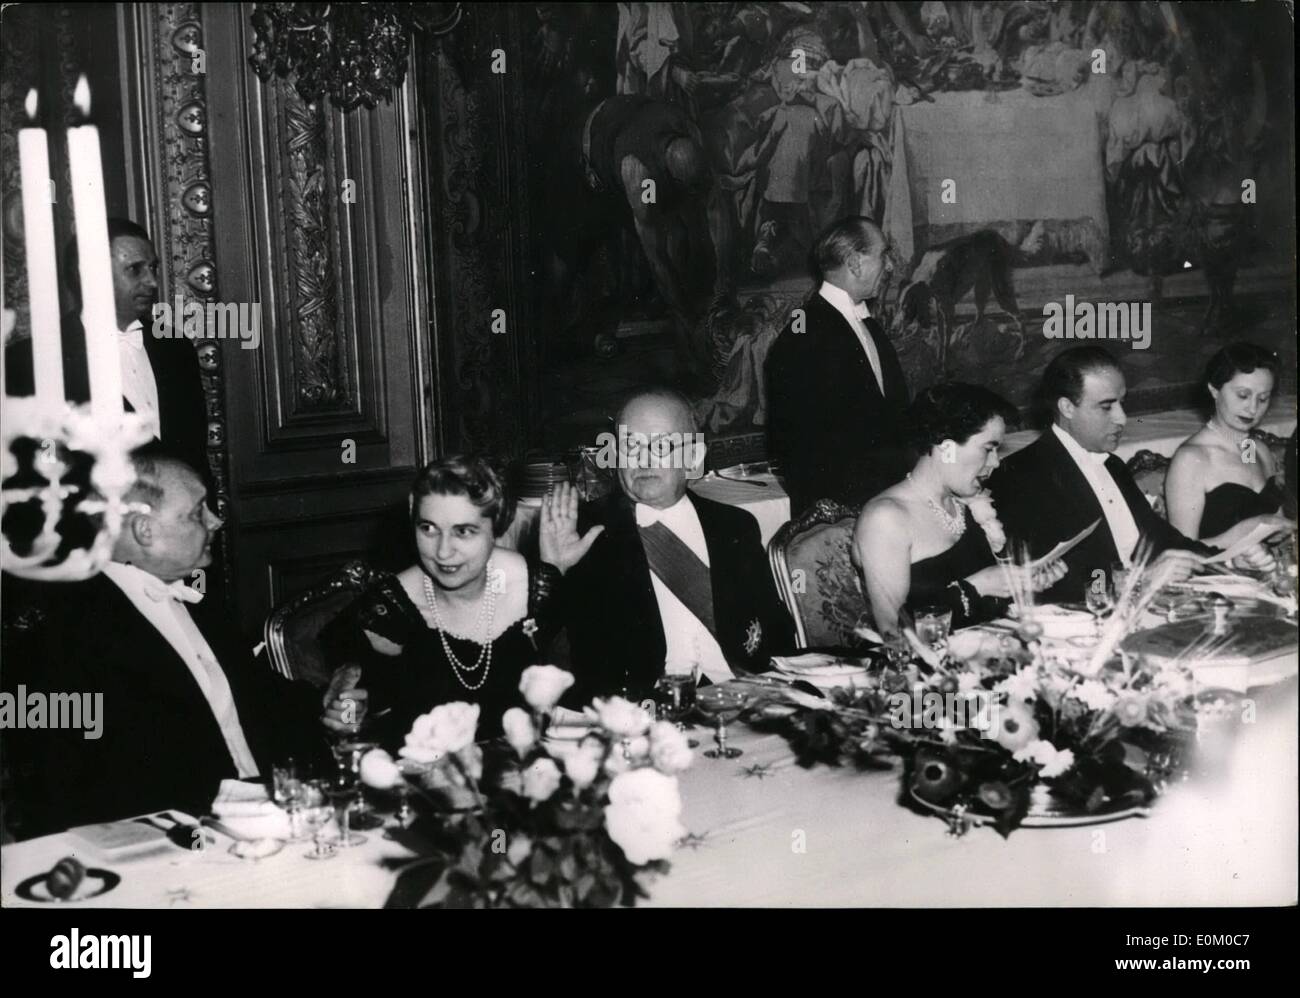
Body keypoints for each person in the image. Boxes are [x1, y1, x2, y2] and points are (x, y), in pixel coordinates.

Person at [3, 451, 322, 837]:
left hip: (265, 818)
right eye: (197, 512)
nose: (216, 521)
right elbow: (62, 782)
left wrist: (330, 702)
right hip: (175, 843)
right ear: (145, 531)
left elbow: (261, 701)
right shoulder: (66, 632)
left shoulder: (200, 602)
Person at [320, 456, 593, 745]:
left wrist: (557, 572)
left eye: (463, 531)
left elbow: (583, 679)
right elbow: (349, 677)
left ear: (497, 526)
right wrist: (346, 697)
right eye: (428, 528)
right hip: (426, 773)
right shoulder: (395, 605)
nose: (443, 552)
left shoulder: (533, 587)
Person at [556, 387, 794, 703]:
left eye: (663, 445)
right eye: (630, 445)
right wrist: (552, 570)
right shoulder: (583, 533)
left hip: (741, 700)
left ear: (693, 457)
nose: (642, 459)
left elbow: (777, 632)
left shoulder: (734, 526)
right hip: (643, 711)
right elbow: (554, 659)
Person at [989, 346, 1273, 603]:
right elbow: (1038, 582)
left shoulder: (1112, 465)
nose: (1122, 418)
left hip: (1143, 609)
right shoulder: (1020, 475)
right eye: (1106, 406)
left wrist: (1228, 562)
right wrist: (1135, 580)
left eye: (1122, 403)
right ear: (1067, 408)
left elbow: (1166, 540)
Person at [853, 383, 1067, 633]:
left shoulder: (962, 504)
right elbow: (893, 631)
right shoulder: (887, 518)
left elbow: (983, 610)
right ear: (946, 449)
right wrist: (977, 586)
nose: (996, 462)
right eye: (988, 449)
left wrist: (1023, 582)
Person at [5, 218, 209, 479]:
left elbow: (197, 460)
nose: (152, 282)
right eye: (135, 269)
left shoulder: (176, 349)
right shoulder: (31, 361)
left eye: (153, 268)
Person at [765, 215, 909, 515]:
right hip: (839, 520)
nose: (891, 266)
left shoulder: (870, 326)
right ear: (855, 263)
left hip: (884, 507)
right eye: (884, 254)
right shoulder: (802, 336)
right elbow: (798, 447)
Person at [1165, 343, 1293, 544]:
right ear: (1214, 390)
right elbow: (1182, 551)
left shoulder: (1256, 449)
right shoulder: (1192, 459)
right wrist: (1246, 532)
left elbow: (1275, 523)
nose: (1252, 408)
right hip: (1216, 573)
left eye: (1263, 399)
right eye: (1243, 395)